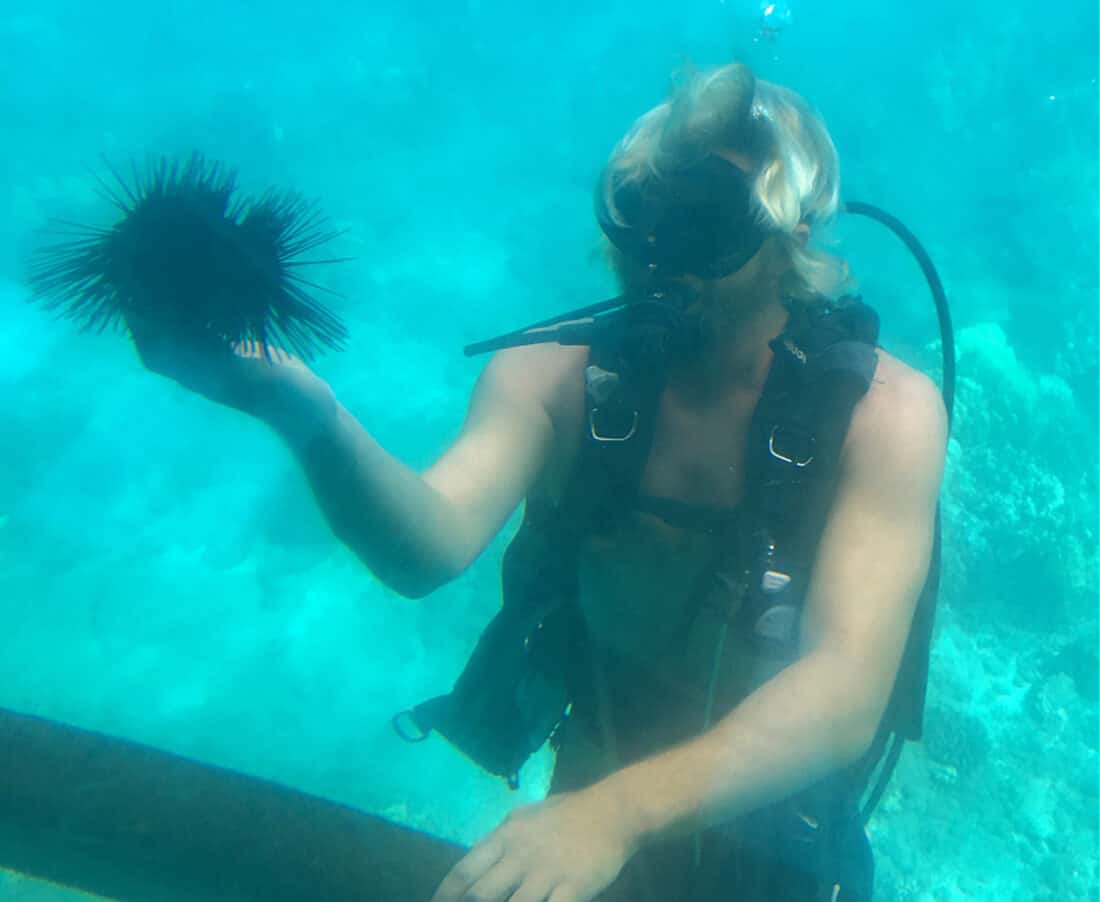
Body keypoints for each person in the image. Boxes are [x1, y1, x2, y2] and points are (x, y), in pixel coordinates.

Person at [135, 63, 946, 902]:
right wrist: (296, 407)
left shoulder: (883, 415)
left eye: (708, 222)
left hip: (773, 807)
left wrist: (618, 815)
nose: (662, 258)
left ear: (794, 237)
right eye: (642, 213)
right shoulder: (552, 378)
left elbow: (846, 690)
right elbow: (429, 548)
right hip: (598, 766)